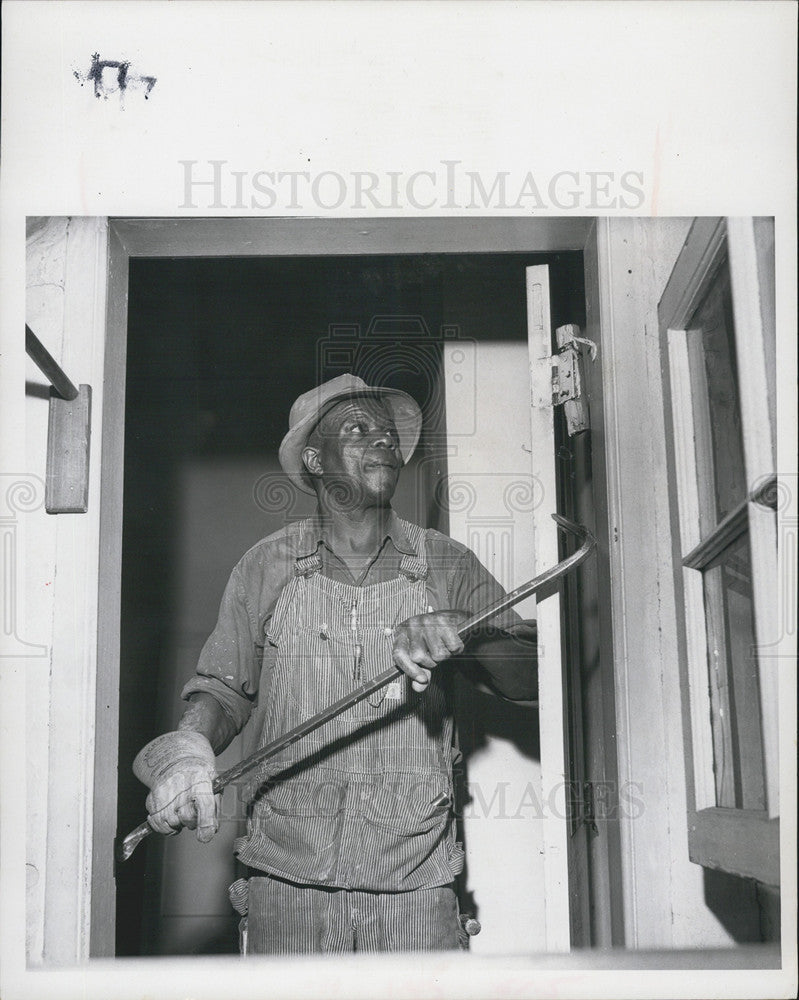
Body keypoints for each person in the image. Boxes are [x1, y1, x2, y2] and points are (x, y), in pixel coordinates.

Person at [133, 373, 537, 954]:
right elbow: (222, 693)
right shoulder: (266, 565)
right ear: (316, 460)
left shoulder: (446, 562)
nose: (383, 442)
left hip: (414, 891)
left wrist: (459, 628)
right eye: (357, 429)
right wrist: (189, 752)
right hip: (286, 888)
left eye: (388, 434)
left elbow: (532, 677)